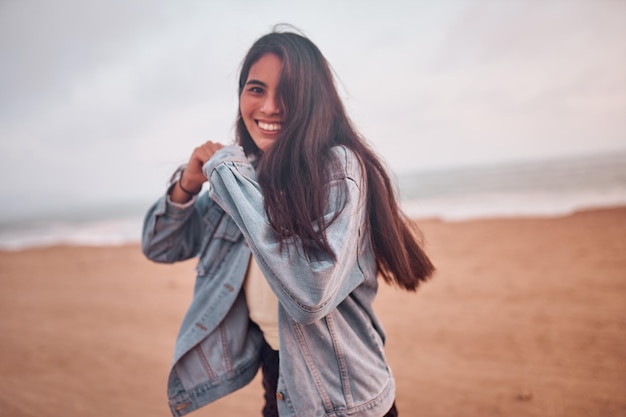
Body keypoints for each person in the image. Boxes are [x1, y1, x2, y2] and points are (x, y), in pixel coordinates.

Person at [142, 27, 435, 417]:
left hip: (346, 400)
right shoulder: (245, 178)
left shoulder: (338, 168)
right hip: (279, 385)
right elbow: (160, 245)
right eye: (256, 89)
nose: (269, 107)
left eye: (289, 92)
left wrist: (228, 173)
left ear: (314, 99)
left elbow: (309, 295)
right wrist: (187, 185)